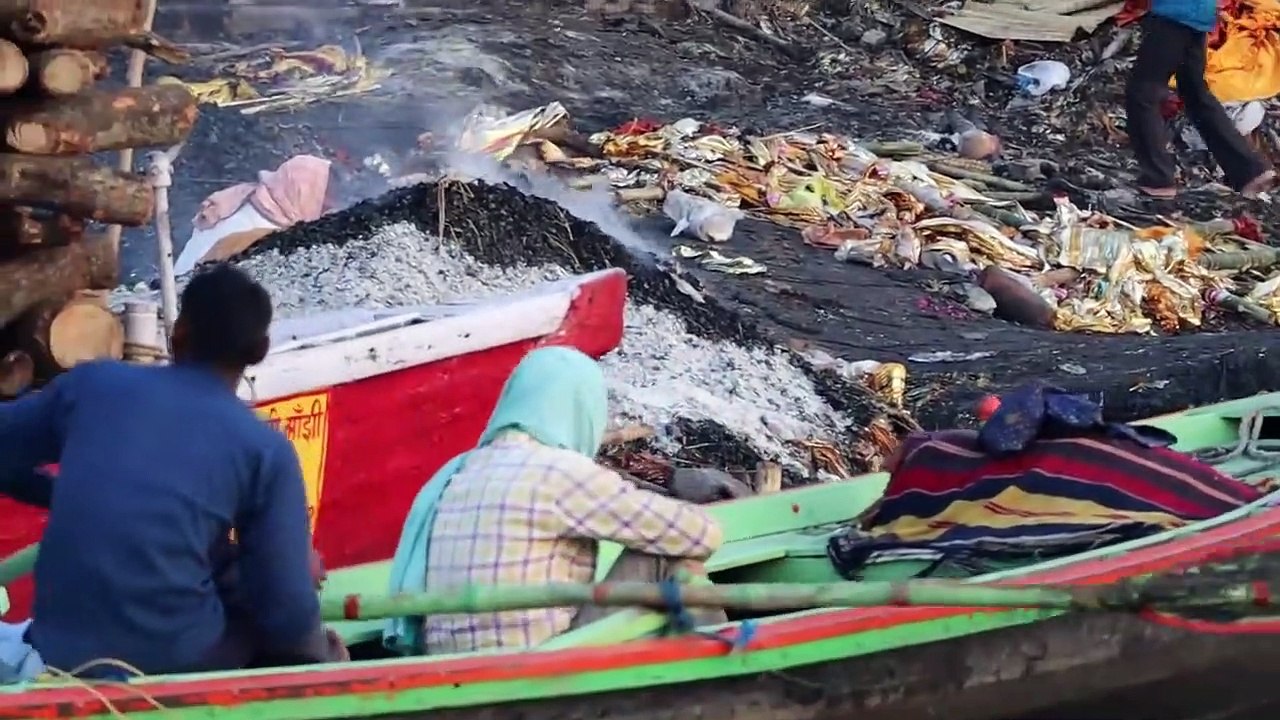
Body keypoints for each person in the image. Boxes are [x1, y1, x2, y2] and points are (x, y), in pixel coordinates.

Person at [0, 264, 345, 676]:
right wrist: (325, 655)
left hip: (56, 649)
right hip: (169, 663)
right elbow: (286, 610)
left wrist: (71, 495)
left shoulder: (91, 385)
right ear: (260, 350)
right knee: (266, 603)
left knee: (227, 563)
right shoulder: (264, 448)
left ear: (177, 332)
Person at [384, 346, 725, 656]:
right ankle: (727, 670)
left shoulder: (458, 473)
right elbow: (701, 535)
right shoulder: (561, 471)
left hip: (451, 670)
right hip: (535, 665)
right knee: (668, 559)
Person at [1125, 1, 1275, 198]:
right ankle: (1250, 170)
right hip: (1199, 15)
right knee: (1195, 93)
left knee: (1142, 93)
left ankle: (1158, 178)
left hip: (1174, 14)